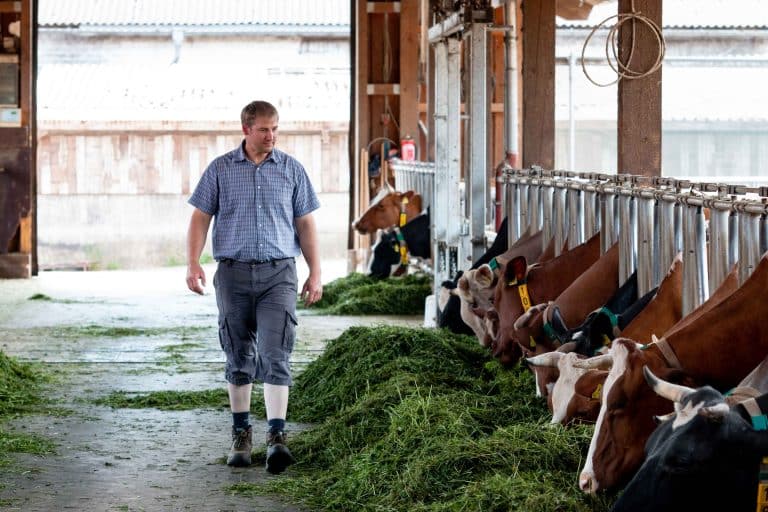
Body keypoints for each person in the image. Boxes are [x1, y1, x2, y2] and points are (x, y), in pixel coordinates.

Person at [185, 100, 322, 474]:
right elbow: (200, 218)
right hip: (233, 273)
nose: (272, 136)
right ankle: (241, 433)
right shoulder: (221, 170)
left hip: (279, 273)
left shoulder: (292, 170)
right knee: (238, 352)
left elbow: (306, 225)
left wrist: (316, 272)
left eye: (275, 128)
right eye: (264, 129)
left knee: (276, 353)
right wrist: (193, 262)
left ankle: (277, 437)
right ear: (246, 129)